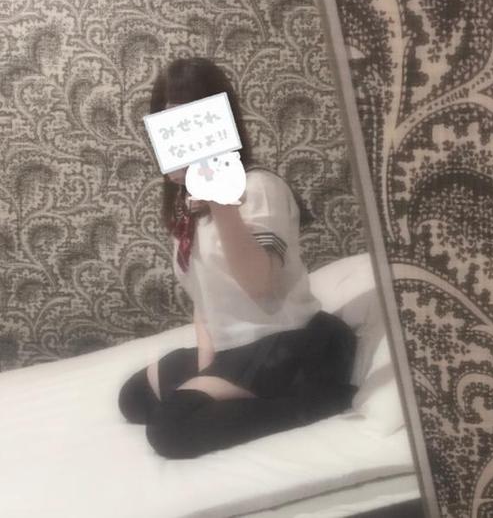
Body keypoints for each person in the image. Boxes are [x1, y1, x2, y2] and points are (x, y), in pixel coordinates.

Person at [118, 57, 358, 459]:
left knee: (169, 429)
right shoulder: (186, 206)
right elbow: (203, 298)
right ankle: (236, 391)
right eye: (169, 127)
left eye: (193, 123)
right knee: (134, 398)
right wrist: (207, 362)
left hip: (291, 344)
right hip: (236, 347)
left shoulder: (258, 188)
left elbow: (259, 285)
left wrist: (220, 198)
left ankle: (318, 400)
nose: (183, 140)